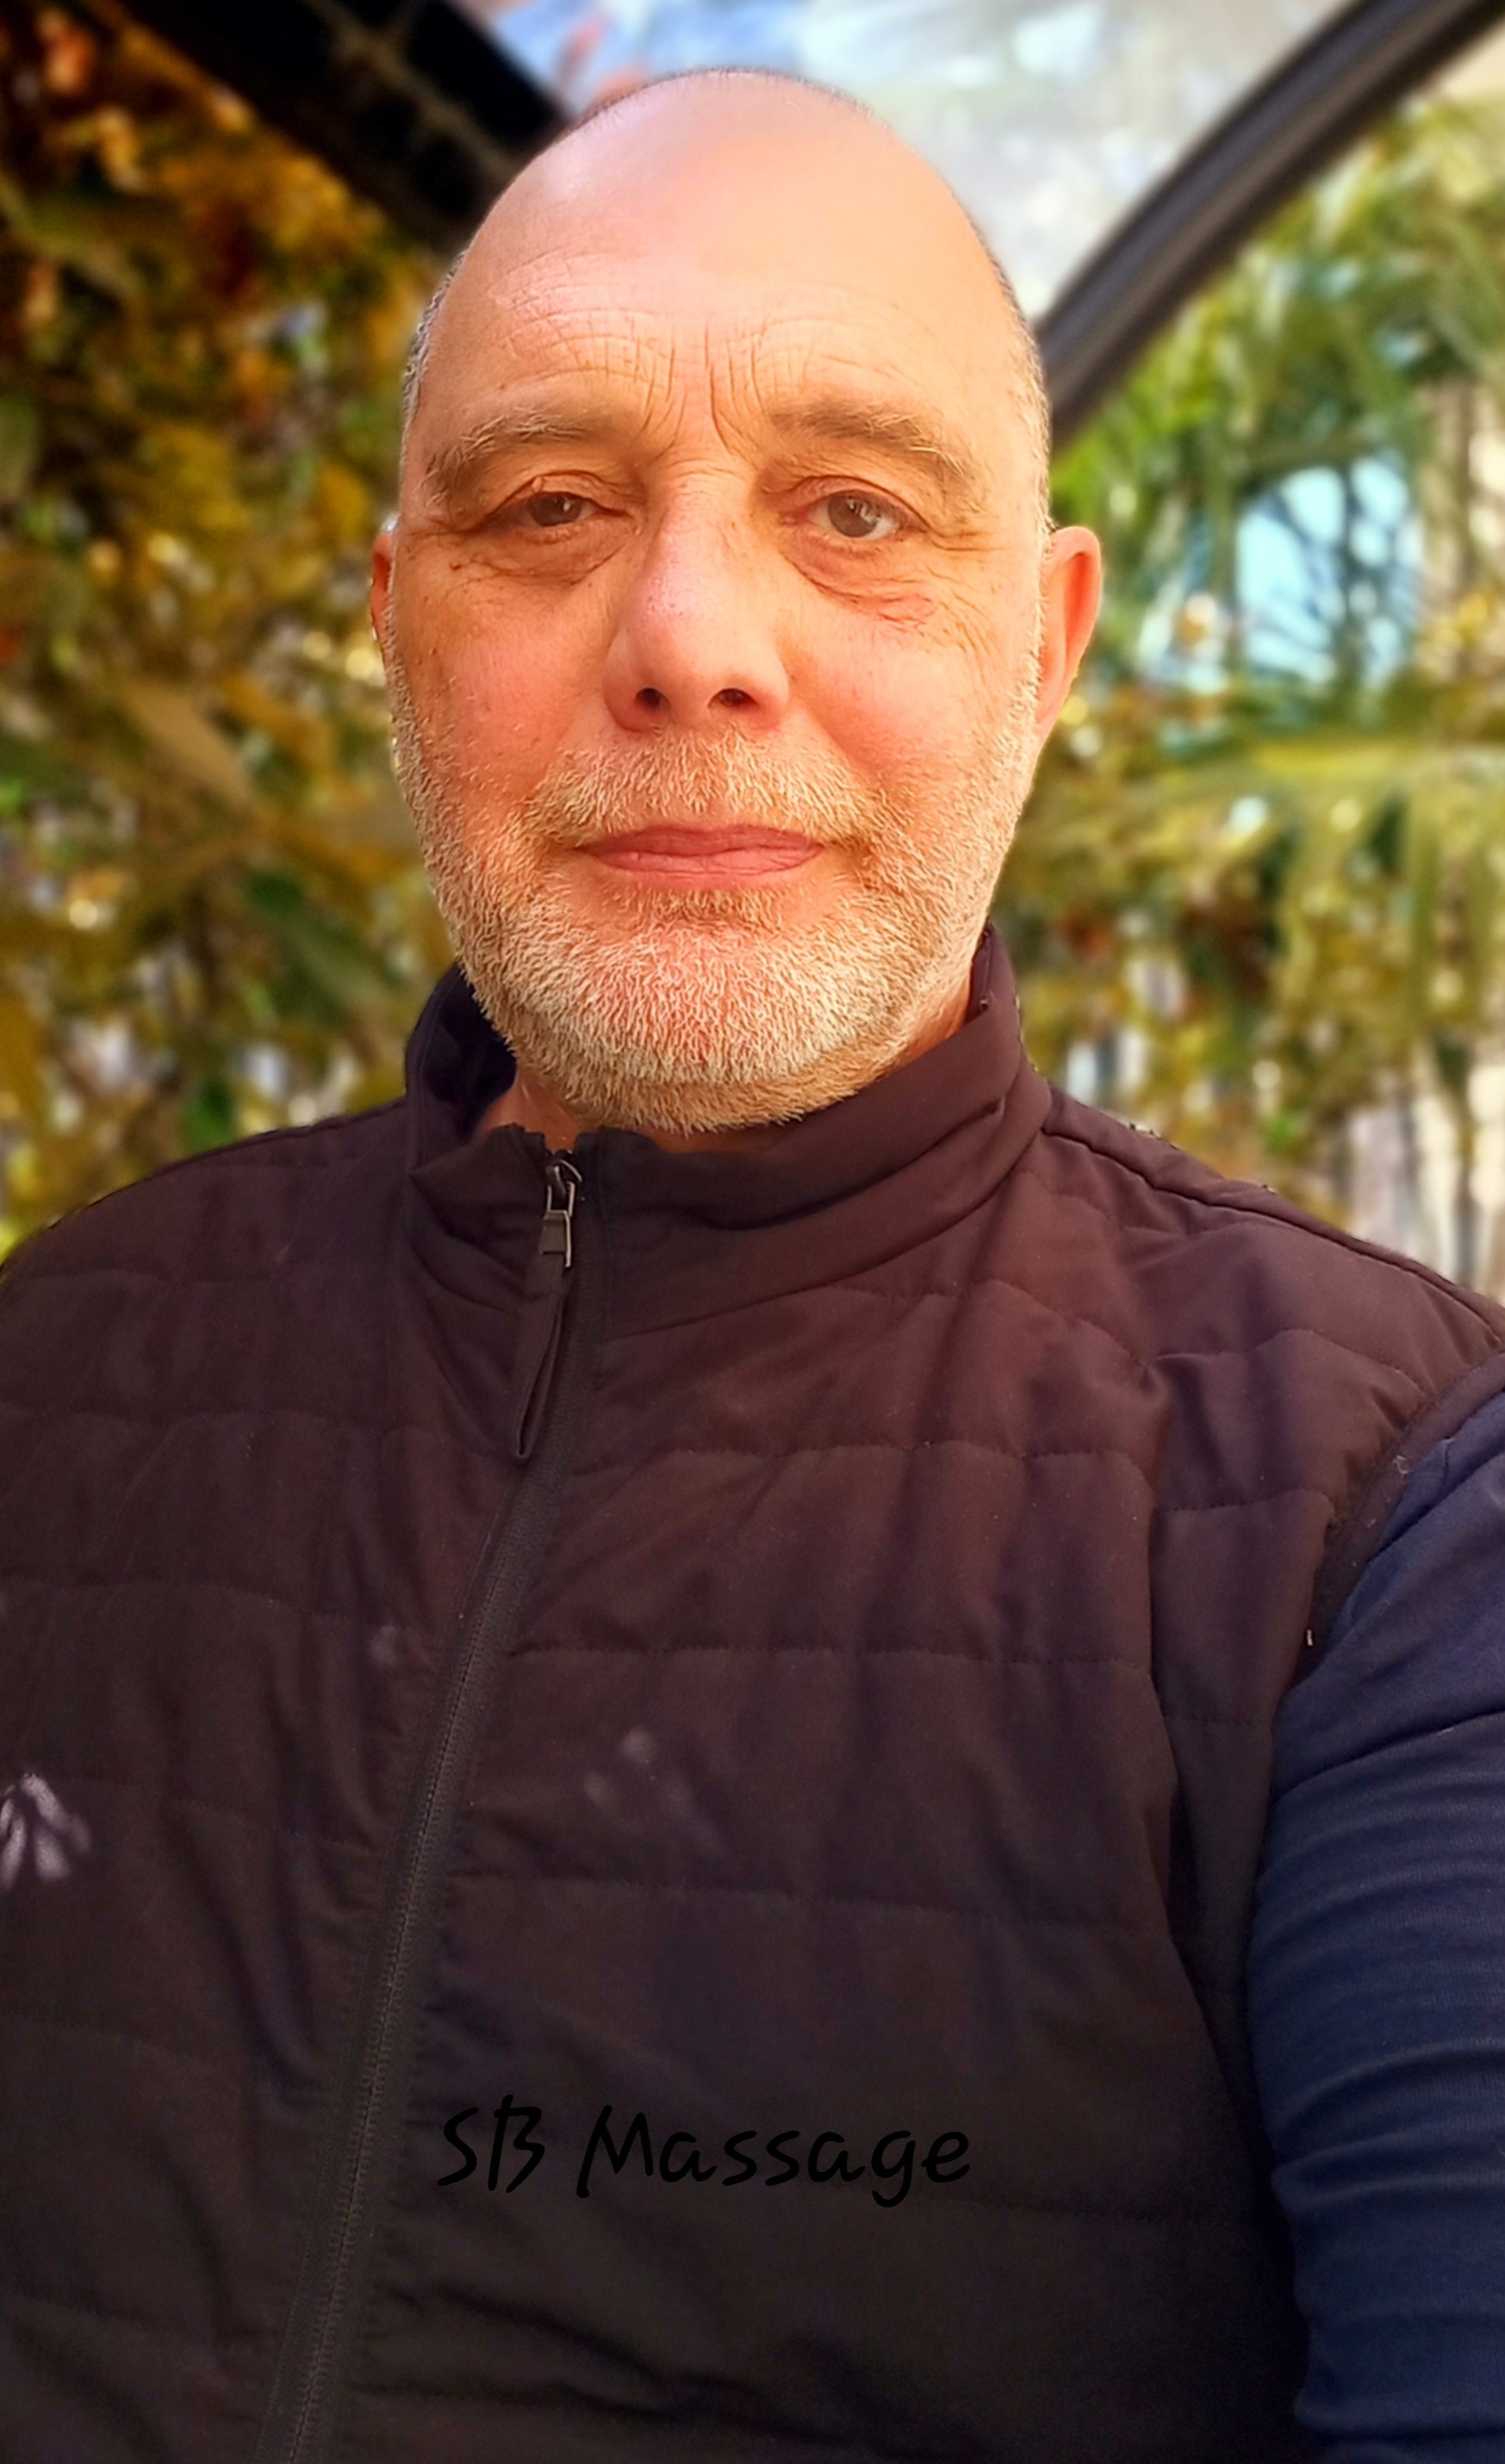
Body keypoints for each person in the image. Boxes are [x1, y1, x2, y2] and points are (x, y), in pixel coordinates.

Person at [2, 67, 1503, 2464]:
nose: (691, 636)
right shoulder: (58, 1369)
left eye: (855, 510)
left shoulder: (1390, 1522)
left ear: (1044, 643)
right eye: (551, 508)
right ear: (399, 630)